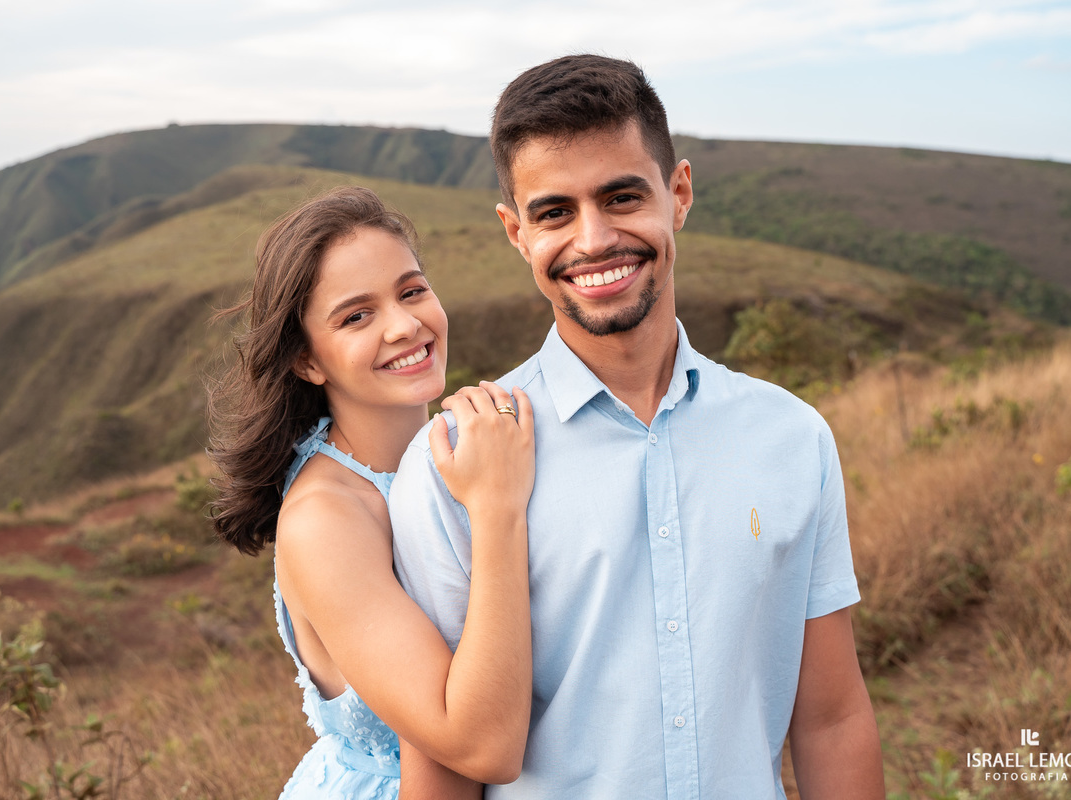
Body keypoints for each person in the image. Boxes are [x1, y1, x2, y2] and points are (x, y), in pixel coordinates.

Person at [390, 55, 885, 798]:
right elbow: (444, 764)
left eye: (622, 197)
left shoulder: (793, 438)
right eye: (554, 212)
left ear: (677, 193)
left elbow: (831, 719)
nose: (593, 240)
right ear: (516, 232)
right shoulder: (452, 465)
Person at [208, 186, 534, 799]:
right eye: (357, 316)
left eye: (412, 291)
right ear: (307, 360)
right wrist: (496, 509)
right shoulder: (325, 519)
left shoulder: (448, 456)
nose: (405, 325)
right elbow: (478, 746)